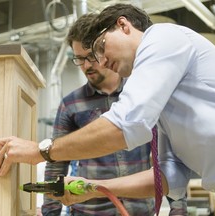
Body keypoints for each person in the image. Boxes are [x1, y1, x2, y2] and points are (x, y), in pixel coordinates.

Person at [0, 3, 215, 216]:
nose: (102, 61)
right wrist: (95, 188)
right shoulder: (161, 100)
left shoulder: (164, 37)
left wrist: (42, 151)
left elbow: (125, 125)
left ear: (123, 25)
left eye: (100, 47)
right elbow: (169, 176)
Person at [41, 13, 155, 216]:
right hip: (90, 211)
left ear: (104, 49)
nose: (85, 66)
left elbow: (165, 159)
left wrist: (177, 210)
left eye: (90, 57)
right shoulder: (71, 104)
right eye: (79, 59)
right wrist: (50, 213)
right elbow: (55, 167)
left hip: (139, 209)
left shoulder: (141, 95)